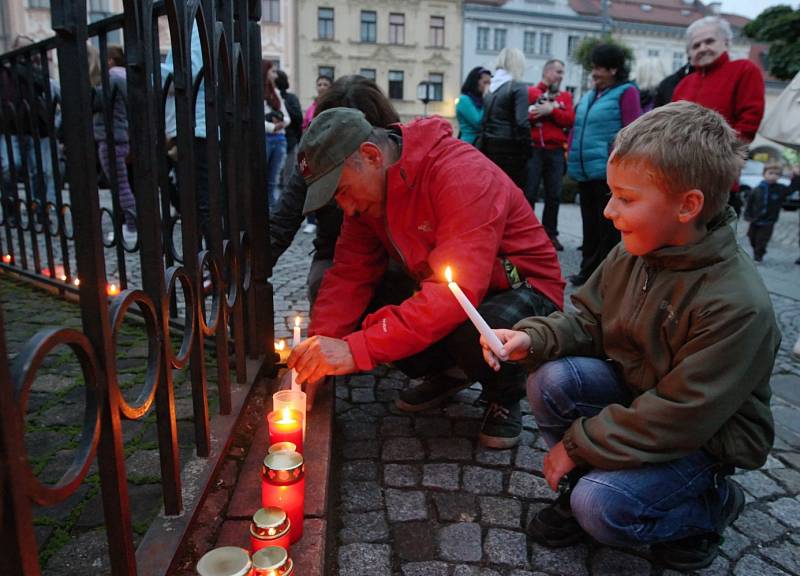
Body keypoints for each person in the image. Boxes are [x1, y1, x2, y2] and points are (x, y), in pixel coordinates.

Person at [480, 101, 779, 571]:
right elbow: (587, 321)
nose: (607, 209)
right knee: (551, 379)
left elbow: (681, 416)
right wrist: (531, 339)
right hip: (644, 398)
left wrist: (575, 446)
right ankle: (593, 477)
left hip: (703, 438)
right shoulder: (636, 250)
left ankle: (710, 505)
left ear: (688, 205)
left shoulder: (736, 305)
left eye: (626, 197)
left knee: (603, 508)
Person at [289, 107, 564, 448]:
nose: (346, 208)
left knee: (475, 328)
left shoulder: (461, 174)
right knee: (375, 304)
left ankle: (505, 393)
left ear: (371, 156)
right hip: (457, 290)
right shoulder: (368, 197)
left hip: (525, 287)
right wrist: (319, 353)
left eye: (343, 190)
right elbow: (349, 275)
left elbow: (457, 294)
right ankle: (449, 374)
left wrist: (355, 349)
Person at [672, 16, 765, 215]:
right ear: (689, 52)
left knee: (715, 240)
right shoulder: (683, 84)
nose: (703, 48)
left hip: (719, 178)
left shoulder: (744, 70)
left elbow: (749, 120)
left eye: (710, 41)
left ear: (726, 43)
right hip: (680, 177)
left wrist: (728, 161)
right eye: (696, 45)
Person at [567, 43, 641, 286]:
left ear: (613, 69)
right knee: (589, 227)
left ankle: (607, 277)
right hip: (585, 171)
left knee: (607, 229)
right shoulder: (590, 95)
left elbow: (632, 131)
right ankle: (588, 272)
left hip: (608, 172)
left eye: (599, 68)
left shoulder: (627, 92)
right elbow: (578, 126)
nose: (594, 73)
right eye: (594, 68)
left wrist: (618, 159)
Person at [89, 44, 137, 244]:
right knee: (125, 184)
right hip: (122, 136)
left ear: (109, 60)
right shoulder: (126, 77)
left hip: (111, 137)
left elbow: (94, 103)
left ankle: (132, 228)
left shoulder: (113, 78)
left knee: (121, 187)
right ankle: (131, 226)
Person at [525, 59, 574, 251]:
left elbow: (570, 119)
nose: (561, 76)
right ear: (546, 72)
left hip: (554, 150)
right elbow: (527, 115)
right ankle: (527, 234)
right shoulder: (531, 92)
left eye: (562, 73)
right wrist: (545, 110)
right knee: (530, 193)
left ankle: (550, 234)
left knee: (553, 195)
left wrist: (551, 110)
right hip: (535, 149)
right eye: (558, 72)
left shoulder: (565, 97)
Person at [480, 48, 531, 189]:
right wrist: (528, 148)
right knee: (514, 192)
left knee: (494, 190)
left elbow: (484, 120)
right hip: (511, 148)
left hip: (489, 145)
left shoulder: (490, 89)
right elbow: (522, 122)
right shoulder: (518, 87)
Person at [744, 162, 787, 262]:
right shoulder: (757, 189)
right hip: (755, 219)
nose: (773, 176)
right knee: (751, 237)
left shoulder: (780, 189)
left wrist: (796, 176)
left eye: (776, 174)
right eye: (770, 173)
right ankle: (758, 250)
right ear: (764, 174)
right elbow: (749, 204)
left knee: (762, 240)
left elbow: (793, 188)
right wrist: (747, 215)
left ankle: (759, 255)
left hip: (768, 221)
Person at [263, 60, 291, 211]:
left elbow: (287, 118)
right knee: (262, 178)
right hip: (266, 139)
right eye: (272, 71)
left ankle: (271, 211)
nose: (275, 74)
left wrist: (277, 125)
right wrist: (273, 126)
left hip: (280, 140)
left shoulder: (277, 94)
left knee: (272, 180)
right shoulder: (257, 93)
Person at [275, 70, 303, 200]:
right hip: (273, 142)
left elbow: (298, 119)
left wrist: (283, 103)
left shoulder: (290, 98)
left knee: (288, 181)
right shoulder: (265, 98)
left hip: (290, 143)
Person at [456, 66, 491, 145]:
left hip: (482, 143)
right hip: (469, 145)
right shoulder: (464, 100)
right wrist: (486, 99)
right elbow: (478, 123)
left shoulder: (482, 100)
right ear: (475, 82)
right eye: (485, 83)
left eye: (489, 83)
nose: (488, 87)